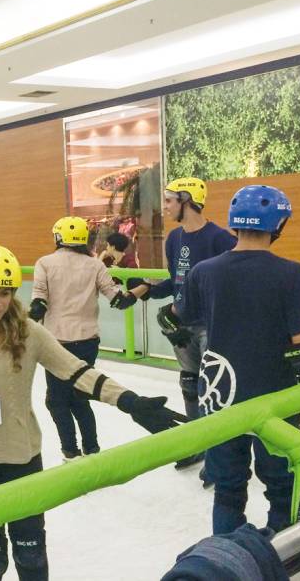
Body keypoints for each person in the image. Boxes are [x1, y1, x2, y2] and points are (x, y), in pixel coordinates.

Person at [0, 244, 186, 581]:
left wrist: (129, 401)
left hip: (21, 454)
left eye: (5, 293)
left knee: (31, 554)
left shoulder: (30, 333)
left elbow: (77, 371)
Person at [166, 185, 300, 535]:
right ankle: (279, 558)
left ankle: (229, 557)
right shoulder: (295, 275)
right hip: (274, 400)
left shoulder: (204, 271)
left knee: (228, 489)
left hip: (220, 397)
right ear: (278, 225)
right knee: (282, 487)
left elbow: (177, 316)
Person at [129, 177, 236, 475]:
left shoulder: (221, 239)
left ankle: (220, 453)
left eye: (169, 199)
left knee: (213, 389)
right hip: (182, 326)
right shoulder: (174, 238)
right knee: (189, 383)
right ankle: (195, 444)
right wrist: (145, 291)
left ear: (186, 200)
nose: (165, 206)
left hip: (211, 326)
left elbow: (230, 286)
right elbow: (178, 282)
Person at [30, 217, 137, 462]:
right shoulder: (95, 265)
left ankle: (71, 452)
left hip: (56, 344)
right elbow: (118, 300)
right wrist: (140, 290)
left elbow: (39, 303)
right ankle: (92, 449)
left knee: (57, 401)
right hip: (88, 341)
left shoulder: (45, 263)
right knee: (80, 396)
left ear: (58, 237)